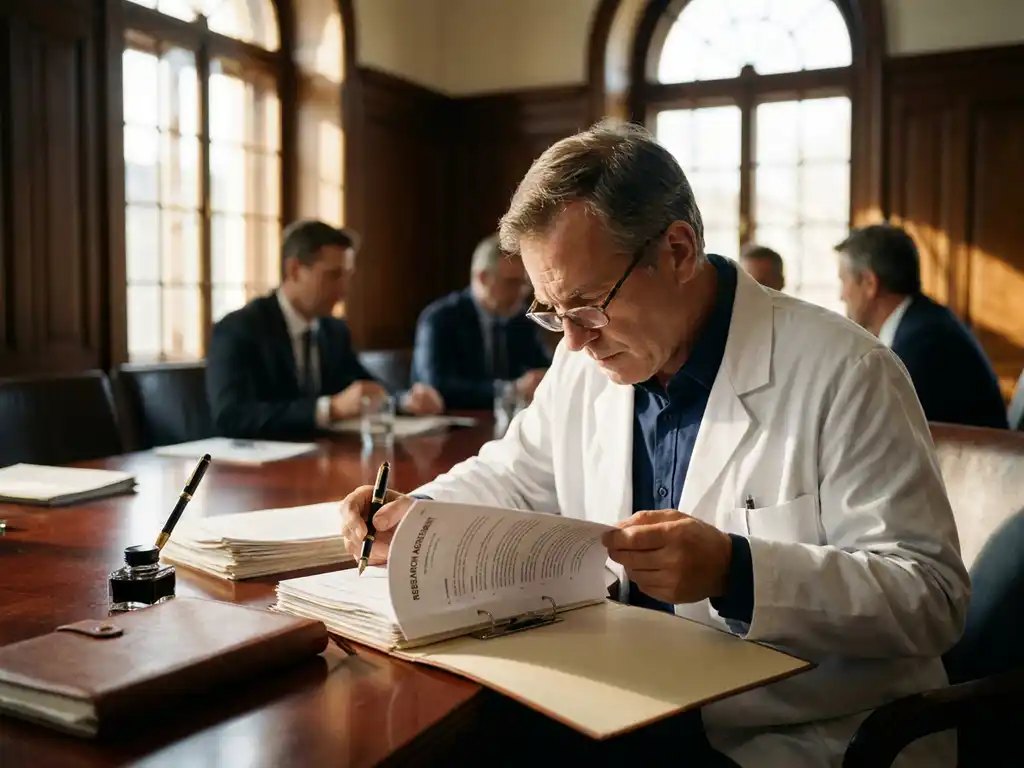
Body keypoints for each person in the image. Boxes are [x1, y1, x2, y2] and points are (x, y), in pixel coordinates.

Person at [339, 121, 969, 767]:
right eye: (551, 313)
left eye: (587, 305)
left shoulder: (847, 371)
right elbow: (513, 473)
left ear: (677, 250)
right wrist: (413, 511)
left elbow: (932, 597)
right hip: (623, 699)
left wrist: (738, 571)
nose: (574, 342)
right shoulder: (586, 358)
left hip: (794, 731)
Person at [206, 220, 444, 439]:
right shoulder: (239, 328)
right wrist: (329, 409)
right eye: (333, 276)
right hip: (253, 476)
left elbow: (360, 384)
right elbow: (231, 416)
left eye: (347, 276)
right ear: (294, 270)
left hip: (320, 462)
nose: (344, 290)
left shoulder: (333, 330)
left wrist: (404, 400)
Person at [836, 223, 1008, 429]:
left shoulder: (925, 342)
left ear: (870, 284)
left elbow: (884, 430)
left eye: (843, 281)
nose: (842, 295)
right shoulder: (922, 323)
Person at [411, 233, 552, 409]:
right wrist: (511, 389)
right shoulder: (440, 319)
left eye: (524, 284)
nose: (521, 293)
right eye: (511, 283)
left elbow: (544, 368)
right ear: (482, 278)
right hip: (451, 428)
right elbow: (436, 386)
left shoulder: (521, 321)